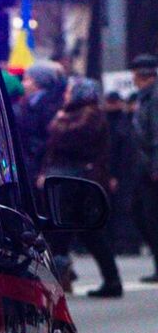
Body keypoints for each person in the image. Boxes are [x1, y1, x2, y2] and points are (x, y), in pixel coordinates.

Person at [43, 76, 123, 298]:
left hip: (84, 180)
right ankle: (66, 277)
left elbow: (70, 138)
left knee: (87, 231)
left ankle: (111, 280)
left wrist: (60, 121)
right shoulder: (70, 113)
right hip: (70, 179)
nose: (66, 94)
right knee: (70, 231)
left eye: (70, 90)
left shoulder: (91, 115)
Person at [130, 54, 158, 284]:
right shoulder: (145, 97)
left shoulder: (154, 98)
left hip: (152, 167)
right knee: (143, 215)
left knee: (151, 217)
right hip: (145, 166)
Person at [13, 61, 66, 182]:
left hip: (39, 169)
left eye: (27, 79)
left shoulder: (49, 106)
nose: (23, 84)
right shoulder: (29, 103)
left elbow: (45, 141)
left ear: (39, 82)